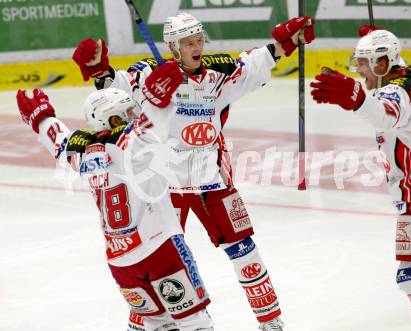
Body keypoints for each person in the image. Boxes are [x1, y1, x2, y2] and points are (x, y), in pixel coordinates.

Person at [71, 12, 315, 331]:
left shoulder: (219, 72)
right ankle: (144, 322)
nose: (196, 46)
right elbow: (116, 88)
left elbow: (255, 63)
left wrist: (288, 41)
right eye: (188, 42)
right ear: (173, 47)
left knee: (245, 250)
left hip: (212, 180)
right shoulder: (150, 74)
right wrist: (100, 71)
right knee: (160, 259)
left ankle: (271, 322)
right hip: (165, 187)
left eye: (199, 39)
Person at [16, 86, 215, 331]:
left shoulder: (82, 151)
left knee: (159, 325)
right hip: (161, 249)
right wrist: (163, 92)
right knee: (195, 322)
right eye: (129, 111)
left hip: (122, 262)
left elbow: (59, 139)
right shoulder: (134, 143)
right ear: (113, 119)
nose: (136, 114)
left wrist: (42, 117)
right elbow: (160, 121)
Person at [310, 29, 411, 331]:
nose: (358, 70)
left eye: (365, 63)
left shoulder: (395, 92)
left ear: (383, 64)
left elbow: (384, 112)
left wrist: (354, 98)